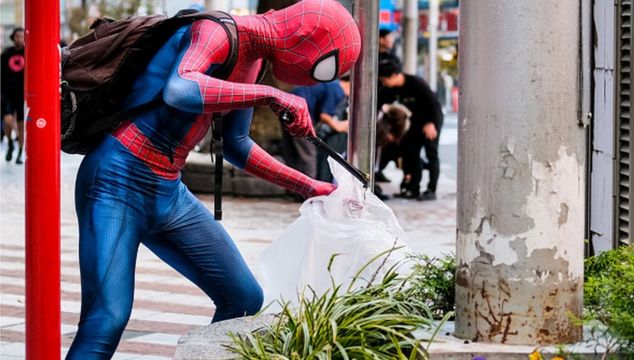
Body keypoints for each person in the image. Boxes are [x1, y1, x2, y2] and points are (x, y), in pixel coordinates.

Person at [66, 1, 361, 358]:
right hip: (116, 180)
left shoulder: (252, 60)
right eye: (324, 67)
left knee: (242, 298)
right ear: (306, 39)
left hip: (168, 190)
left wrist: (309, 186)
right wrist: (272, 95)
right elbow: (182, 87)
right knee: (107, 318)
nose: (316, 79)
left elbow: (237, 146)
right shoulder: (216, 30)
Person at [377, 52, 443, 201]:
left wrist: (432, 124)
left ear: (394, 75)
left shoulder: (417, 83)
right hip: (416, 122)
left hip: (431, 120)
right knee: (410, 152)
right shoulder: (390, 89)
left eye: (385, 80)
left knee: (431, 152)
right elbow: (379, 103)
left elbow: (435, 106)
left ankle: (431, 190)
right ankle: (413, 188)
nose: (384, 83)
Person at [281, 80, 344, 180]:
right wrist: (339, 126)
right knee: (308, 154)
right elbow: (324, 116)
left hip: (288, 106)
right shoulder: (338, 90)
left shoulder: (331, 84)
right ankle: (309, 189)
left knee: (292, 152)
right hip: (300, 112)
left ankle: (291, 188)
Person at [1, 27, 25, 164]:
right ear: (13, 38)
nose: (20, 39)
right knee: (8, 120)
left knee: (22, 125)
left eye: (22, 37)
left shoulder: (28, 53)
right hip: (7, 93)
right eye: (17, 36)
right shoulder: (6, 54)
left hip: (22, 94)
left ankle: (20, 152)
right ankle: (10, 142)